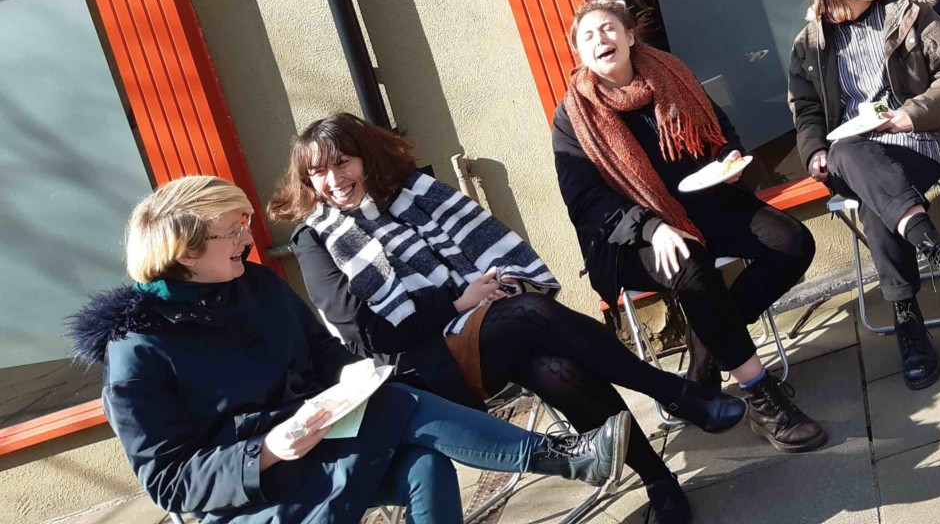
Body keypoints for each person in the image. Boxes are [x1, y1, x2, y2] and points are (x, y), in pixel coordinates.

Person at [271, 115, 747, 524]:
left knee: (553, 368)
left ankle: (660, 481)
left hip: (487, 331)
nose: (333, 180)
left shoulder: (413, 194)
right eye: (318, 173)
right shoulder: (317, 241)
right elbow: (370, 334)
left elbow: (489, 248)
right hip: (419, 370)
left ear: (364, 158)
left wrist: (490, 291)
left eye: (341, 163)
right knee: (531, 315)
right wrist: (458, 304)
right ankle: (675, 394)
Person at [70, 176, 629, 524]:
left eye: (244, 221)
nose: (249, 235)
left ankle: (570, 458)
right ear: (186, 253)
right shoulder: (137, 349)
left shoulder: (255, 285)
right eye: (232, 229)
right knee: (398, 406)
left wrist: (353, 374)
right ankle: (563, 457)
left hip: (321, 444)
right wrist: (266, 449)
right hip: (257, 496)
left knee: (424, 461)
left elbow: (318, 353)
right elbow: (169, 483)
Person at [552, 0, 828, 454]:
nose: (600, 39)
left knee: (792, 243)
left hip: (705, 204)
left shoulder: (669, 73)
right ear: (579, 53)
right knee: (692, 264)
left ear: (629, 36)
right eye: (588, 36)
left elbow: (717, 126)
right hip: (629, 238)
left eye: (607, 29)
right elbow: (586, 202)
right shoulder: (573, 119)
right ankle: (759, 393)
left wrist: (728, 157)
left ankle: (709, 354)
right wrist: (651, 227)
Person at [787, 0, 940, 390]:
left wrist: (910, 115)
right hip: (853, 152)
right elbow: (806, 110)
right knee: (851, 156)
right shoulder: (809, 44)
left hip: (921, 139)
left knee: (875, 203)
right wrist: (815, 150)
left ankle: (908, 323)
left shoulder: (909, 13)